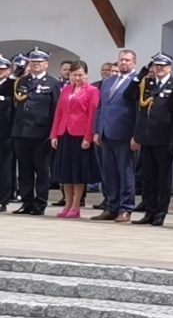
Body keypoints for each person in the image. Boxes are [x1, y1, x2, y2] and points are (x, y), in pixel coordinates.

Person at [128, 52, 173, 227]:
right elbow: (129, 96)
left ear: (170, 68)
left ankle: (160, 213)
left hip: (164, 138)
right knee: (148, 177)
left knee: (163, 178)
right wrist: (139, 77)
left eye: (163, 66)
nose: (159, 69)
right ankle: (149, 211)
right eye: (157, 66)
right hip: (146, 137)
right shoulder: (147, 84)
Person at [11, 49, 62, 216]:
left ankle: (40, 203)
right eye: (33, 62)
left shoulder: (53, 83)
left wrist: (53, 133)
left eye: (39, 62)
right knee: (24, 170)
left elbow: (56, 110)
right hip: (22, 132)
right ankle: (26, 202)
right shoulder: (21, 82)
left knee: (41, 170)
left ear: (46, 64)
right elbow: (15, 107)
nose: (36, 65)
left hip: (41, 133)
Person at [92, 49, 140, 222]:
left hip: (125, 134)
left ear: (134, 63)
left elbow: (138, 111)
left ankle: (126, 208)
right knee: (109, 172)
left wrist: (136, 135)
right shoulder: (108, 81)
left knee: (125, 172)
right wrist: (97, 130)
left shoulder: (137, 82)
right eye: (121, 60)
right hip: (106, 132)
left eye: (127, 60)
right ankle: (111, 206)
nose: (124, 63)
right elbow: (101, 107)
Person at [48, 60, 100, 219]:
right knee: (65, 172)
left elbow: (92, 115)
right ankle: (67, 204)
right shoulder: (65, 90)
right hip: (64, 133)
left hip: (80, 135)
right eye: (74, 75)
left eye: (80, 75)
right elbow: (59, 112)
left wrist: (88, 137)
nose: (77, 78)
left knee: (77, 173)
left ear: (86, 75)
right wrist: (54, 134)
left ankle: (76, 205)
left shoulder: (92, 90)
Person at [0, 57, 16, 212]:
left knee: (4, 167)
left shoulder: (12, 85)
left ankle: (2, 199)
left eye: (3, 69)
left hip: (4, 132)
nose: (0, 72)